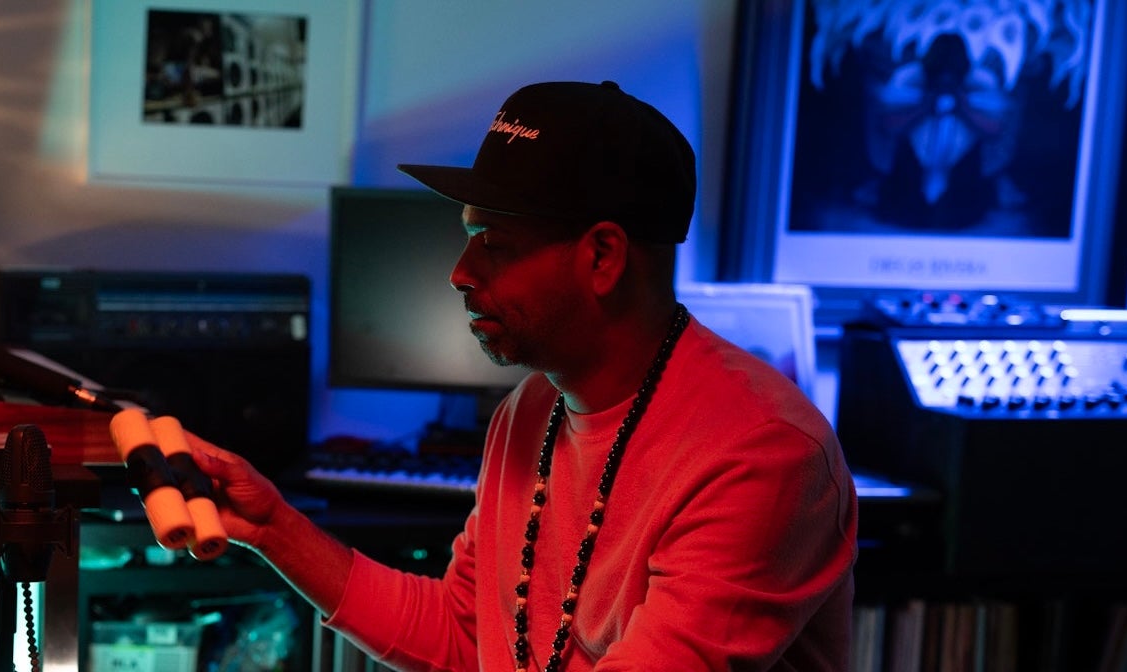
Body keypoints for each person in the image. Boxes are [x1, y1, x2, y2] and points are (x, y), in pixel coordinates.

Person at [184, 80, 858, 671]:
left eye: (496, 245)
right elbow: (462, 635)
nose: (460, 272)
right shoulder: (531, 410)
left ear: (602, 256)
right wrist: (273, 526)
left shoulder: (762, 455)